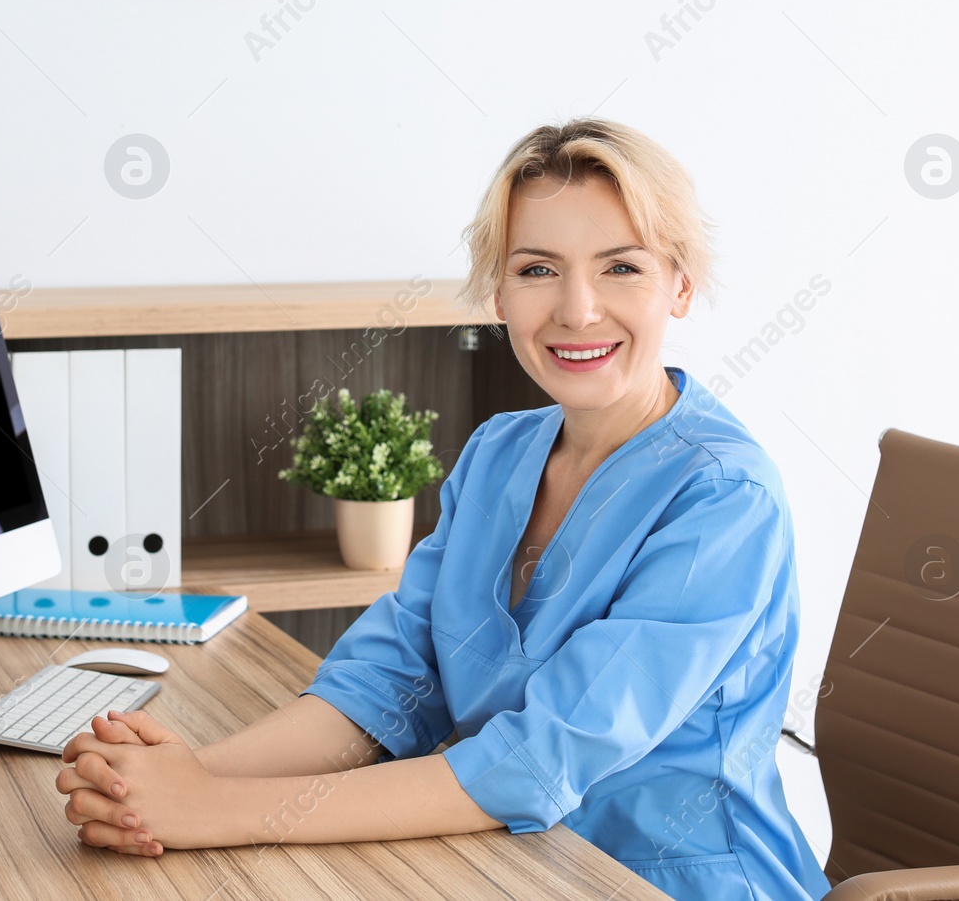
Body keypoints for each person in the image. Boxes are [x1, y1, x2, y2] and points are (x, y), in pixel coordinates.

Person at [56, 118, 833, 900]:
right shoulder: (500, 452)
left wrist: (217, 809)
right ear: (499, 293)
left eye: (621, 267)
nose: (578, 309)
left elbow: (536, 760)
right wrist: (175, 778)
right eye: (537, 270)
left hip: (674, 885)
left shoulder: (724, 499)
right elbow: (388, 681)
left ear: (681, 284)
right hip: (513, 867)